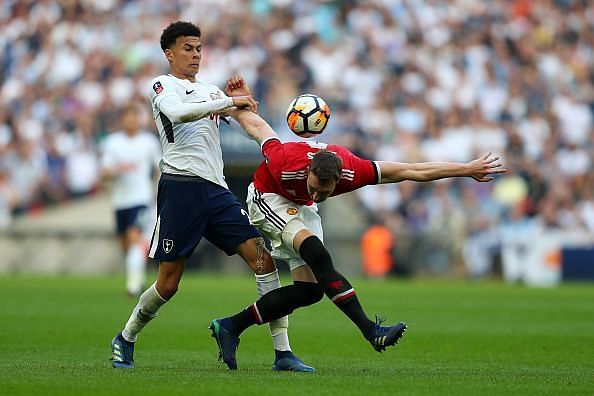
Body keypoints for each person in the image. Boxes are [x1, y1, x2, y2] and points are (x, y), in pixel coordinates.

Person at [209, 89, 507, 370]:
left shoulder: (353, 169)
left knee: (310, 291)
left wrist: (466, 169)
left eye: (324, 192)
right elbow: (259, 129)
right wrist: (233, 106)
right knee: (318, 254)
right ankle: (370, 330)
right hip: (267, 197)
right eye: (314, 186)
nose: (318, 194)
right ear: (309, 172)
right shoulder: (285, 159)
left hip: (298, 208)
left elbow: (411, 170)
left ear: (339, 180)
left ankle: (231, 326)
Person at [110, 21, 314, 373]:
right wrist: (225, 101)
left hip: (217, 191)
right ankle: (126, 336)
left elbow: (251, 125)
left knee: (263, 260)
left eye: (199, 49)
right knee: (168, 284)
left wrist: (241, 101)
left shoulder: (210, 91)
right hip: (180, 189)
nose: (195, 55)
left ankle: (283, 352)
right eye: (188, 48)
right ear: (169, 53)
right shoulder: (163, 85)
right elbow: (176, 113)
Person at [101, 102, 162, 297]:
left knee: (134, 236)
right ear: (122, 120)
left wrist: (160, 191)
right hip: (120, 200)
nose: (131, 120)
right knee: (125, 244)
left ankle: (133, 287)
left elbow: (159, 168)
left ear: (139, 119)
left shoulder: (148, 142)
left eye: (134, 116)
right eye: (127, 116)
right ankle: (139, 278)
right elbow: (105, 172)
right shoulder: (112, 142)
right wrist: (112, 173)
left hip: (140, 198)